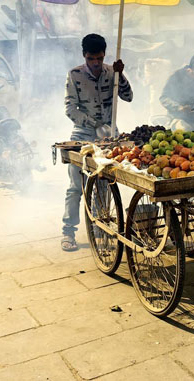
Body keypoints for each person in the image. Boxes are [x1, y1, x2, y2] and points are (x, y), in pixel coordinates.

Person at [62, 33, 133, 251]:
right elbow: (70, 109)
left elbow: (128, 96)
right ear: (84, 56)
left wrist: (121, 76)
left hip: (110, 136)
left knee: (105, 183)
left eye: (99, 59)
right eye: (91, 59)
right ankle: (68, 232)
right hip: (82, 135)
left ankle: (101, 228)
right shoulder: (74, 75)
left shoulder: (112, 72)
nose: (95, 64)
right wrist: (93, 124)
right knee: (76, 186)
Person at [159, 51, 194, 130]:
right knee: (184, 130)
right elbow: (164, 98)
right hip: (177, 117)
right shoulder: (177, 76)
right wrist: (179, 108)